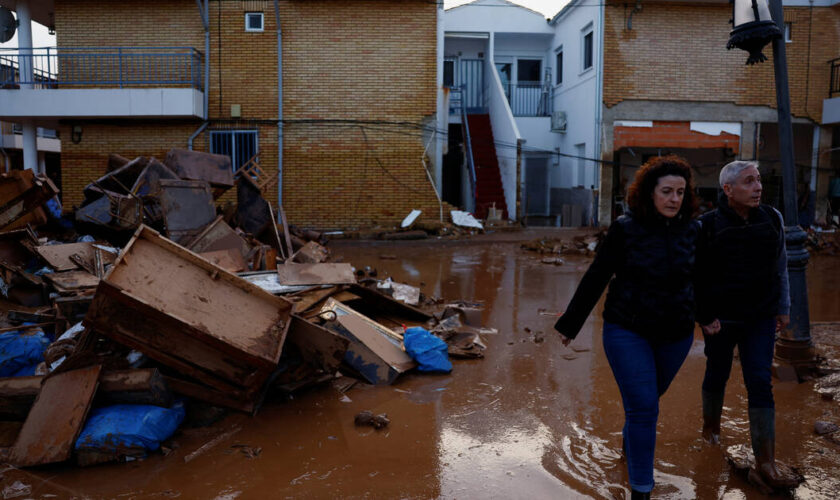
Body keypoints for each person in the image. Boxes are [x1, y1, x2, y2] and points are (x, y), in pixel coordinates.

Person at [554, 155, 699, 500]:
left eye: (680, 192)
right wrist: (571, 323)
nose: (674, 199)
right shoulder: (626, 227)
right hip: (628, 330)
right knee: (646, 407)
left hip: (676, 333)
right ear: (650, 192)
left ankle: (631, 440)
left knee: (644, 403)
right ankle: (641, 491)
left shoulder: (693, 229)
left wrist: (709, 317)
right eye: (667, 191)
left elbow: (704, 279)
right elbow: (597, 276)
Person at [694, 160, 797, 489]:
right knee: (717, 372)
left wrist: (784, 307)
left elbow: (781, 266)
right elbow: (697, 278)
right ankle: (710, 431)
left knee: (759, 381)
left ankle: (766, 460)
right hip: (722, 320)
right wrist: (704, 316)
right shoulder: (706, 226)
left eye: (759, 181)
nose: (758, 187)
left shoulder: (772, 219)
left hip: (761, 317)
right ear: (728, 190)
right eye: (749, 182)